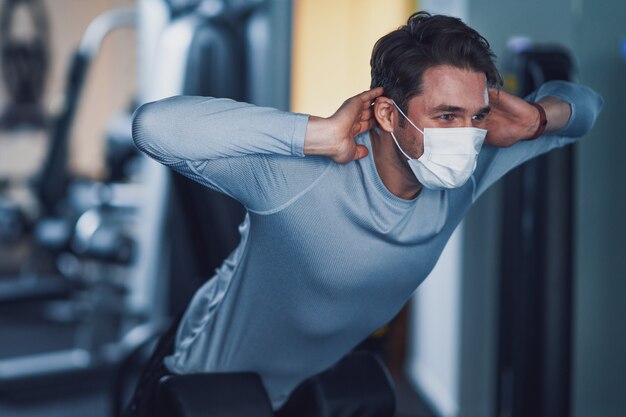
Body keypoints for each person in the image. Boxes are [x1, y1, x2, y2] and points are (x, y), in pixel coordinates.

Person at [124, 11, 603, 416]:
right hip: (204, 386)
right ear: (390, 116)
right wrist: (316, 133)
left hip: (308, 385)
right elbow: (153, 126)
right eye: (446, 116)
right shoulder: (300, 177)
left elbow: (587, 108)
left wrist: (537, 119)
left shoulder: (470, 169)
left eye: (476, 116)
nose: (468, 135)